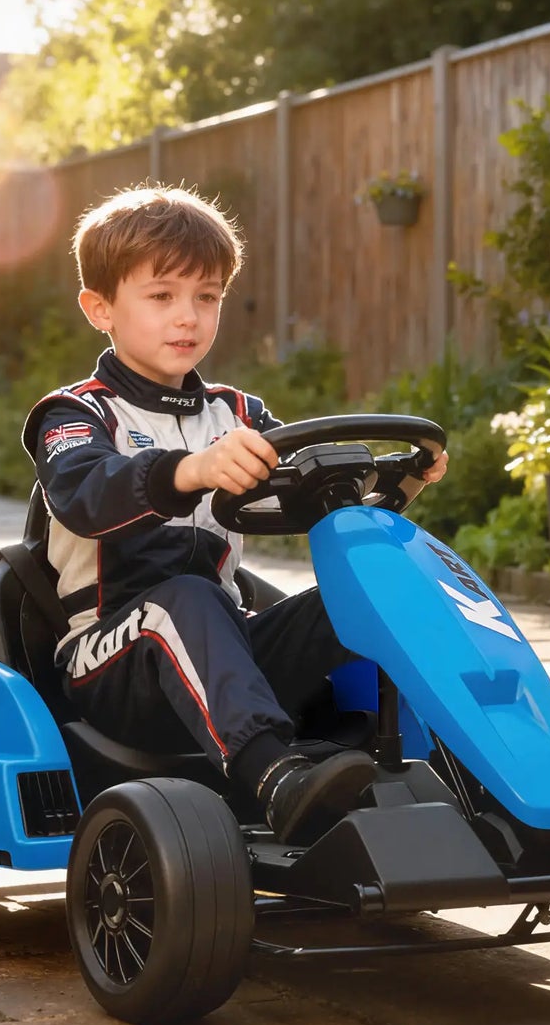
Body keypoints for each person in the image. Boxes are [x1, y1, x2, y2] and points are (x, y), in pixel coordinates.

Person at [23, 185, 448, 845]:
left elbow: (301, 501)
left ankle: (471, 770)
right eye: (161, 296)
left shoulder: (239, 415)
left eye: (207, 296)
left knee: (375, 586)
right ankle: (275, 778)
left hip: (223, 649)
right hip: (110, 664)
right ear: (99, 307)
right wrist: (189, 470)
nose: (187, 316)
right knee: (185, 598)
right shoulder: (77, 415)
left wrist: (397, 489)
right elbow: (85, 492)